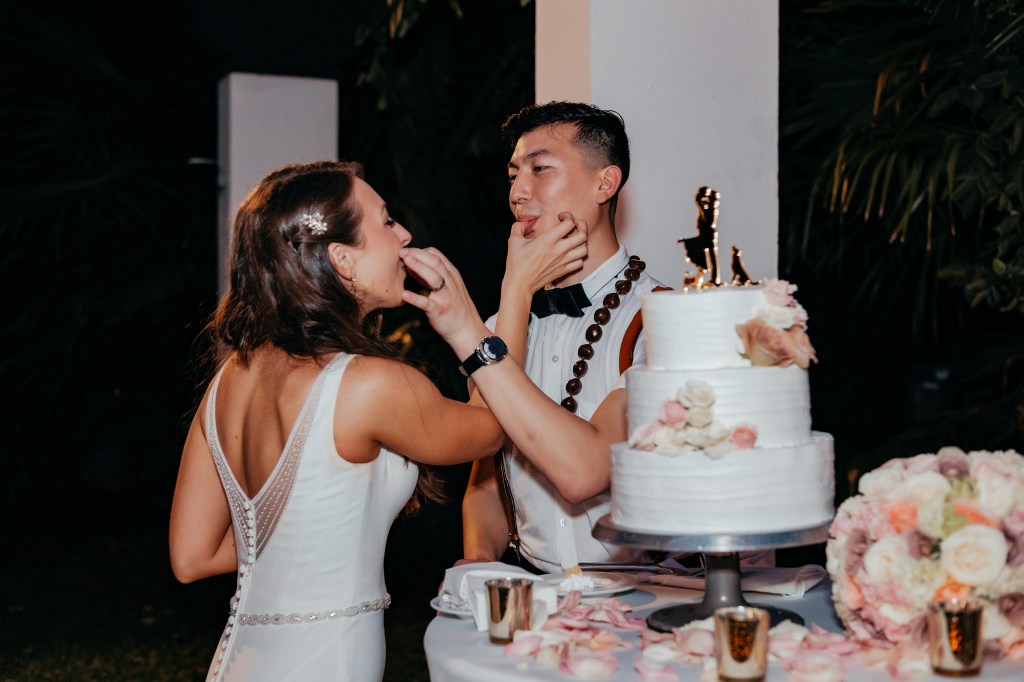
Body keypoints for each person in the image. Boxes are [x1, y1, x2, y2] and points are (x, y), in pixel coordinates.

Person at [168, 161, 584, 682]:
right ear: (342, 259)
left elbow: (193, 555)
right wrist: (515, 290)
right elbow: (496, 426)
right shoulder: (368, 383)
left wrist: (308, 538)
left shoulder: (232, 376)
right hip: (326, 664)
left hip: (239, 662)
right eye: (386, 222)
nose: (404, 234)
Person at [427, 102, 665, 574]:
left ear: (605, 183)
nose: (518, 191)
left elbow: (585, 473)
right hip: (530, 597)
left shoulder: (663, 320)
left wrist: (516, 283)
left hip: (642, 594)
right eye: (513, 174)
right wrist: (476, 563)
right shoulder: (503, 326)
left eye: (540, 169)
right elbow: (487, 474)